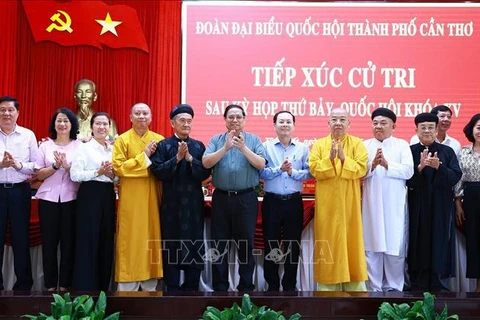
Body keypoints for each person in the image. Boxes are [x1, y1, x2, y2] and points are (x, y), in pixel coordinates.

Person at [202, 104, 266, 291]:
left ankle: (246, 287)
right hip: (221, 198)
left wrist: (243, 148)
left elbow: (261, 164)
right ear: (225, 120)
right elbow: (206, 162)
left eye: (239, 117)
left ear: (244, 120)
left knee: (246, 244)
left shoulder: (253, 140)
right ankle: (220, 288)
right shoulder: (216, 140)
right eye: (231, 117)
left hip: (246, 199)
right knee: (219, 245)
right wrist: (225, 148)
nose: (235, 120)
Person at [150, 104, 211, 292]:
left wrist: (191, 159)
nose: (186, 124)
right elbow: (158, 171)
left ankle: (192, 286)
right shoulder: (163, 145)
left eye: (189, 121)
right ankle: (173, 287)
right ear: (172, 123)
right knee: (171, 242)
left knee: (194, 242)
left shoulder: (198, 146)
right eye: (182, 120)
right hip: (171, 205)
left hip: (193, 205)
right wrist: (176, 158)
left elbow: (205, 172)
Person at [308, 108, 368, 291]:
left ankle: (355, 289)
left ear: (349, 123)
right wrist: (329, 159)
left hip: (349, 205)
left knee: (352, 242)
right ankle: (327, 289)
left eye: (343, 119)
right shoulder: (319, 145)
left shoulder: (357, 144)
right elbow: (314, 169)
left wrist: (343, 158)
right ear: (328, 123)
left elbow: (362, 168)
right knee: (328, 243)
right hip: (327, 205)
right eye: (334, 119)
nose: (338, 123)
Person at [407, 112, 462, 291]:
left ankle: (438, 280)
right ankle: (417, 279)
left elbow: (455, 176)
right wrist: (420, 168)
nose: (427, 130)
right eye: (423, 127)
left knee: (439, 238)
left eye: (431, 127)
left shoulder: (447, 151)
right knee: (417, 238)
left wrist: (439, 167)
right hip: (418, 205)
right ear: (416, 130)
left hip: (441, 204)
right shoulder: (410, 151)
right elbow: (406, 180)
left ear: (437, 129)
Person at [112, 102, 164, 291]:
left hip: (152, 195)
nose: (141, 116)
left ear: (151, 117)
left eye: (145, 113)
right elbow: (119, 168)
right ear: (130, 117)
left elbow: (162, 169)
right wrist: (144, 156)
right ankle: (128, 280)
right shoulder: (122, 140)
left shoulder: (159, 140)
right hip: (131, 199)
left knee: (151, 234)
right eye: (137, 113)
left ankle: (151, 282)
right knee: (130, 237)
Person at [362, 108, 413, 292]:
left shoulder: (402, 145)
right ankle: (374, 289)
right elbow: (359, 173)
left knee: (394, 247)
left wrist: (387, 165)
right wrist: (372, 165)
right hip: (371, 204)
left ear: (393, 125)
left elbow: (408, 171)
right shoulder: (364, 145)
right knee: (372, 247)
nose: (378, 126)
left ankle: (394, 290)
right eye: (375, 123)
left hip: (394, 205)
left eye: (383, 123)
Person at [259, 110, 311, 292]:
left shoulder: (303, 148)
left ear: (294, 126)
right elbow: (260, 172)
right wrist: (279, 170)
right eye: (281, 121)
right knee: (270, 244)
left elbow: (309, 173)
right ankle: (272, 286)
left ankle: (290, 286)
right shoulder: (265, 147)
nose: (285, 125)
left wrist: (292, 173)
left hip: (293, 202)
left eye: (288, 121)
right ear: (274, 126)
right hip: (271, 202)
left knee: (292, 245)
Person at [34, 108, 81, 291]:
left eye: (66, 121)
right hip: (48, 200)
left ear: (72, 124)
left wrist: (68, 166)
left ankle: (66, 286)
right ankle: (50, 286)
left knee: (69, 243)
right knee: (49, 243)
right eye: (59, 120)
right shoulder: (45, 146)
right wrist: (55, 166)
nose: (62, 124)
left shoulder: (80, 146)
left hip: (72, 199)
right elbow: (38, 174)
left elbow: (80, 175)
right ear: (54, 124)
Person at [70, 112, 117, 291]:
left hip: (107, 195)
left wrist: (112, 175)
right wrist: (98, 172)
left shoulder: (113, 149)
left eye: (105, 124)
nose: (102, 127)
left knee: (105, 240)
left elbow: (116, 178)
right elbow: (75, 174)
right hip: (89, 194)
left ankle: (103, 289)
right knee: (88, 240)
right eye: (98, 124)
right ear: (91, 127)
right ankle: (84, 290)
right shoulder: (84, 148)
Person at [0, 95, 38, 290]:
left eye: (10, 110)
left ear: (18, 113)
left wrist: (17, 164)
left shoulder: (27, 135)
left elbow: (36, 165)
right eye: (3, 110)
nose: (6, 113)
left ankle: (23, 286)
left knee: (20, 238)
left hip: (20, 191)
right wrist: (1, 165)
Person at [455, 113, 480, 292]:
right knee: (474, 242)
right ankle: (477, 288)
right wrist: (458, 204)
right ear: (472, 129)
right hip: (470, 199)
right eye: (478, 127)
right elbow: (458, 180)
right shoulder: (463, 151)